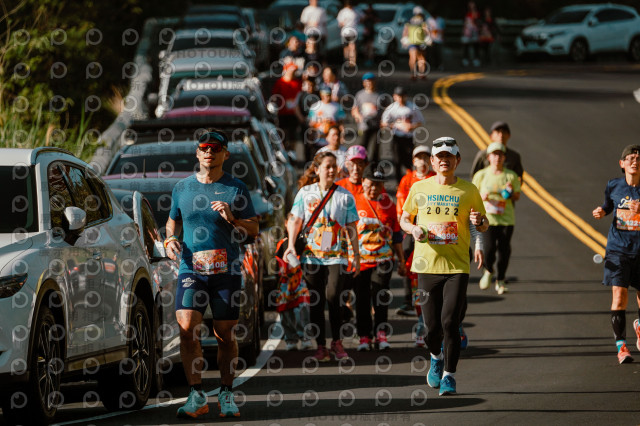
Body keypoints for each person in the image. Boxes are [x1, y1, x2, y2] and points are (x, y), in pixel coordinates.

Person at [165, 130, 259, 418]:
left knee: (224, 333)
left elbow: (254, 229)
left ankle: (227, 392)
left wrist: (232, 218)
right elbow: (172, 222)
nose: (209, 152)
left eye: (215, 148)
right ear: (197, 153)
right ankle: (196, 394)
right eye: (204, 147)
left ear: (225, 154)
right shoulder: (182, 188)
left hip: (225, 271)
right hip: (191, 268)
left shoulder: (236, 188)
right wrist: (170, 240)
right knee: (186, 328)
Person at [400, 136, 488, 396]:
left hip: (457, 267)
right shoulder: (419, 188)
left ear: (457, 160)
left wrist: (480, 225)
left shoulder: (469, 190)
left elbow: (482, 224)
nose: (444, 161)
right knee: (432, 329)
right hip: (426, 265)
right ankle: (436, 357)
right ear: (432, 161)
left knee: (450, 322)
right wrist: (413, 229)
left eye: (449, 156)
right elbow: (404, 219)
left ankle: (449, 375)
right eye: (440, 157)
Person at [285, 151, 360, 361]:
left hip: (338, 255)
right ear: (317, 170)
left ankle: (337, 341)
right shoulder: (305, 193)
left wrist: (356, 255)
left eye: (334, 166)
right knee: (316, 300)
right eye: (327, 166)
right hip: (312, 256)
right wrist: (290, 245)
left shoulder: (345, 196)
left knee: (334, 296)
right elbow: (295, 220)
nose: (332, 170)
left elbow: (352, 227)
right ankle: (320, 346)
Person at [592, 144, 640, 364]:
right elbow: (608, 205)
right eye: (630, 158)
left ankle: (638, 325)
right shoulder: (614, 185)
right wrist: (602, 211)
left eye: (638, 159)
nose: (634, 161)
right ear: (622, 164)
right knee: (619, 297)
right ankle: (621, 346)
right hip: (618, 250)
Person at [351, 162, 406, 351]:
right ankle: (364, 336)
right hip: (360, 261)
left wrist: (401, 261)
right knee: (362, 298)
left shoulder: (389, 205)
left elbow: (397, 235)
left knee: (380, 295)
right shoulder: (353, 202)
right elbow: (344, 232)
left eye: (378, 184)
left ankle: (381, 333)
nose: (374, 188)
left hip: (383, 260)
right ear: (363, 182)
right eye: (370, 184)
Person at [472, 142, 521, 294]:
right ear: (488, 157)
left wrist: (510, 193)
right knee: (489, 249)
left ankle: (500, 279)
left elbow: (517, 196)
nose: (497, 158)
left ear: (504, 157)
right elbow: (472, 196)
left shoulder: (510, 176)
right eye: (494, 154)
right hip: (487, 219)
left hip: (506, 219)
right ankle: (488, 270)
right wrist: (481, 196)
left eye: (500, 155)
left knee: (504, 250)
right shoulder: (481, 175)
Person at [395, 145, 435, 318]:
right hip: (411, 227)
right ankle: (408, 299)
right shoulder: (407, 180)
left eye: (426, 158)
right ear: (414, 161)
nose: (423, 161)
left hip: (430, 226)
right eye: (419, 158)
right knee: (406, 257)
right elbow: (401, 204)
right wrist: (405, 224)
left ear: (431, 161)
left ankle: (430, 299)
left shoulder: (435, 178)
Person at [275, 215, 312, 351]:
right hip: (285, 282)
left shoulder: (305, 241)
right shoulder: (281, 243)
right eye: (290, 221)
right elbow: (277, 265)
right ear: (286, 224)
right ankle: (290, 338)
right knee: (285, 311)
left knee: (302, 309)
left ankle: (305, 337)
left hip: (301, 281)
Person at [380, 86, 425, 183]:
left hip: (408, 137)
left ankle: (410, 180)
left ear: (406, 96)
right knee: (397, 160)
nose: (400, 99)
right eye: (398, 96)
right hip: (397, 137)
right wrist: (393, 125)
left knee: (409, 160)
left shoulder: (412, 107)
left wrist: (412, 126)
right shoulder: (392, 108)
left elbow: (420, 121)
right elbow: (383, 122)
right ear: (394, 96)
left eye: (402, 96)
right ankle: (399, 182)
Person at [352, 72, 383, 162]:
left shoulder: (380, 95)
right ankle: (361, 164)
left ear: (374, 82)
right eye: (367, 81)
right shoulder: (360, 95)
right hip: (364, 126)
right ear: (363, 83)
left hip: (376, 126)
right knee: (362, 146)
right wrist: (359, 117)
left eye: (371, 81)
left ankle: (374, 166)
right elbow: (354, 109)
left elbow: (385, 110)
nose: (369, 83)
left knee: (375, 148)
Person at [271, 62, 302, 151]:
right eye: (291, 70)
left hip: (294, 113)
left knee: (293, 135)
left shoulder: (297, 83)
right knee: (283, 133)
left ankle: (292, 152)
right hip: (283, 113)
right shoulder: (280, 83)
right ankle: (283, 150)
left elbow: (300, 96)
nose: (293, 72)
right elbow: (274, 97)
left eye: (294, 71)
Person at [402, 6, 431, 80]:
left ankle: (417, 74)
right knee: (418, 58)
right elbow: (427, 31)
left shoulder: (410, 21)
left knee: (417, 58)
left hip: (416, 42)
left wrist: (404, 39)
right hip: (417, 42)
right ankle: (417, 73)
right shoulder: (422, 21)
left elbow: (405, 31)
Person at [337, 0, 362, 67]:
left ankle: (352, 62)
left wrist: (358, 21)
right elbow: (340, 23)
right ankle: (346, 61)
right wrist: (344, 22)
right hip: (345, 32)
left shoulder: (356, 11)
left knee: (352, 47)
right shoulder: (343, 12)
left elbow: (362, 18)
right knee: (346, 48)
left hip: (353, 32)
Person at [461, 1, 480, 67]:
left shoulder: (476, 13)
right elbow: (464, 23)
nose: (471, 6)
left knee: (475, 46)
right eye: (470, 4)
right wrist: (464, 31)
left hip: (475, 31)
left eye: (472, 4)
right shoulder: (466, 13)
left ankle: (476, 60)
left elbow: (477, 22)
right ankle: (465, 60)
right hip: (467, 32)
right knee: (466, 46)